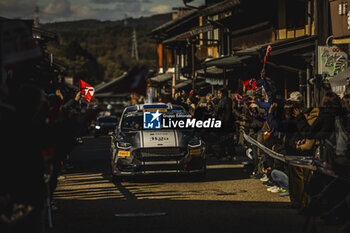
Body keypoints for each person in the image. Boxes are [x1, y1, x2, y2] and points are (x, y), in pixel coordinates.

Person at [216, 88, 236, 160]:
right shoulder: (229, 100)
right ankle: (231, 155)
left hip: (223, 123)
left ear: (222, 94)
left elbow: (218, 111)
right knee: (230, 140)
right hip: (230, 123)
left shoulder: (222, 101)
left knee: (222, 140)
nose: (218, 95)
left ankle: (223, 155)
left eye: (219, 93)